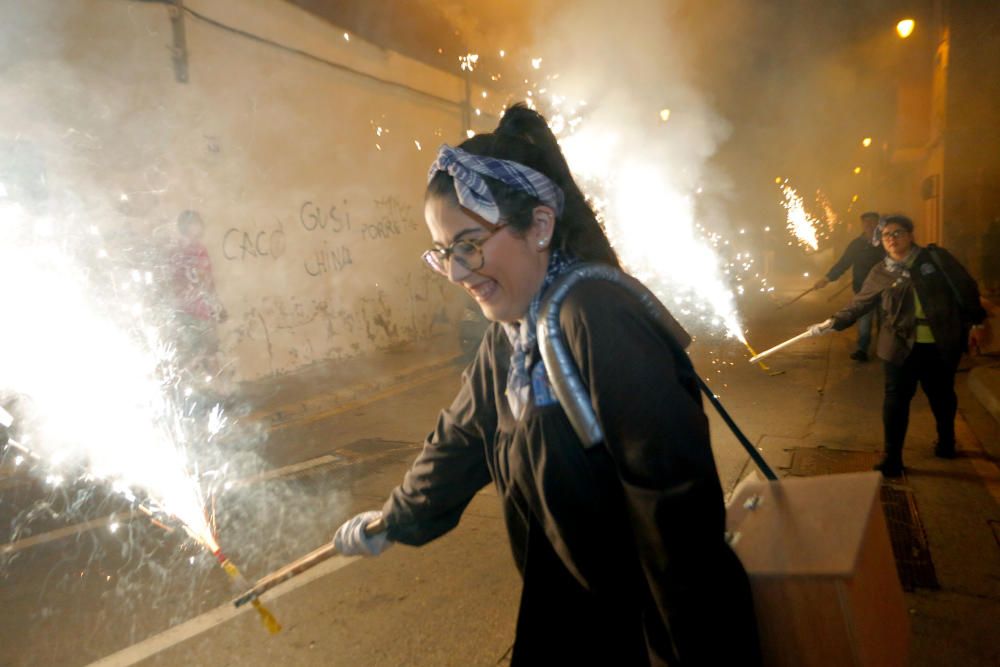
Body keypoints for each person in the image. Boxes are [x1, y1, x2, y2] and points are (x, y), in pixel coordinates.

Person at [333, 104, 760, 665]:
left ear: (539, 226)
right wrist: (394, 519)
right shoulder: (510, 333)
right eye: (443, 254)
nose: (458, 274)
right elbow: (459, 442)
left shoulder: (597, 316)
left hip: (647, 631)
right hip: (568, 618)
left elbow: (673, 514)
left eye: (468, 244)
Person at [807, 215, 989, 477]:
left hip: (937, 343)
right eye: (886, 235)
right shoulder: (881, 271)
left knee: (941, 396)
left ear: (910, 235)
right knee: (895, 401)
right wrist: (832, 323)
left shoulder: (935, 260)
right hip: (898, 346)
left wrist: (977, 322)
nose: (892, 239)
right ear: (880, 241)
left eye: (898, 233)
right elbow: (860, 304)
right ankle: (892, 457)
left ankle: (946, 441)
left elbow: (965, 287)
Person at [812, 211, 885, 361]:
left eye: (873, 222)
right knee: (864, 322)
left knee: (886, 322)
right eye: (866, 223)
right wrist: (827, 278)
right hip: (863, 291)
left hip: (886, 290)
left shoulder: (886, 242)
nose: (870, 226)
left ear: (879, 224)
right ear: (862, 225)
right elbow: (843, 263)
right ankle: (862, 350)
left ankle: (886, 350)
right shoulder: (856, 245)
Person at [170, 210, 227, 379]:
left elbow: (175, 282)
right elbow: (206, 281)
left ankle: (209, 388)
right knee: (209, 352)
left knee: (195, 354)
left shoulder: (175, 251)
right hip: (200, 309)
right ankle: (220, 389)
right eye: (196, 223)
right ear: (188, 226)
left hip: (185, 309)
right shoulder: (198, 250)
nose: (199, 226)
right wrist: (216, 306)